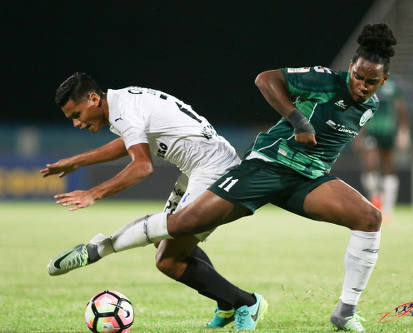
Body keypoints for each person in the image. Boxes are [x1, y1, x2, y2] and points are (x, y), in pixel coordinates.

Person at [49, 23, 397, 332]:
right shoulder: (324, 80)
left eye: (371, 81)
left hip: (295, 176)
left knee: (369, 218)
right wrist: (298, 121)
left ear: (384, 80)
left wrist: (87, 181)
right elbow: (266, 79)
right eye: (357, 76)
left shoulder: (371, 106)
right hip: (267, 166)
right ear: (350, 66)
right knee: (171, 249)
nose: (362, 85)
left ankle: (343, 312)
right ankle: (107, 250)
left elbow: (137, 158)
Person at [43, 73, 265, 330]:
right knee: (165, 242)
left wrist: (94, 193)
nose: (76, 124)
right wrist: (77, 161)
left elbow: (142, 167)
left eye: (76, 115)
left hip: (213, 168)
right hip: (201, 166)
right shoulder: (122, 102)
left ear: (93, 99)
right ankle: (227, 304)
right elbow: (127, 144)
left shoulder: (122, 110)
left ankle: (246, 302)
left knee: (168, 261)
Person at [356, 76, 409, 222]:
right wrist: (359, 134)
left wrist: (403, 131)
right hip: (372, 130)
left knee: (388, 165)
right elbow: (361, 108)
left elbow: (401, 109)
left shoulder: (393, 85)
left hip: (389, 131)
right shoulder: (367, 83)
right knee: (370, 163)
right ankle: (375, 198)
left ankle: (388, 208)